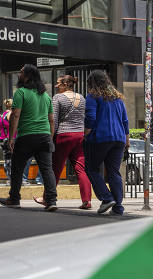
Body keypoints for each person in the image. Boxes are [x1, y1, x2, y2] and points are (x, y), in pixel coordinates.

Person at [0, 64, 56, 211]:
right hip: (44, 136)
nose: (19, 75)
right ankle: (51, 201)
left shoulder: (21, 93)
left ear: (28, 76)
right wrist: (49, 137)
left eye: (21, 73)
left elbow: (16, 115)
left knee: (17, 168)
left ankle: (14, 199)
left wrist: (11, 137)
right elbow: (51, 120)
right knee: (47, 169)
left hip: (27, 136)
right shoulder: (46, 96)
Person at [36, 75, 91, 209]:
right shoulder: (82, 98)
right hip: (79, 135)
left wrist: (49, 138)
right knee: (80, 168)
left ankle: (47, 199)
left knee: (55, 168)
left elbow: (53, 120)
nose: (56, 86)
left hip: (63, 136)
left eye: (58, 84)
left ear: (65, 84)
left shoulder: (58, 98)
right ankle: (87, 200)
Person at [83, 70, 129, 215]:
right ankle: (118, 207)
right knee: (114, 172)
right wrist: (127, 141)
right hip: (119, 139)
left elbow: (90, 117)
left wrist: (85, 133)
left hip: (100, 138)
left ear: (91, 83)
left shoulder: (92, 96)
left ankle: (106, 197)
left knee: (92, 168)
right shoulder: (118, 98)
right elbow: (125, 121)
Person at [0, 98, 11, 184]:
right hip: (10, 139)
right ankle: (12, 179)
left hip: (3, 139)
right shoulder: (10, 114)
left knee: (7, 160)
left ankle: (9, 178)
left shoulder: (2, 115)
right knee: (12, 160)